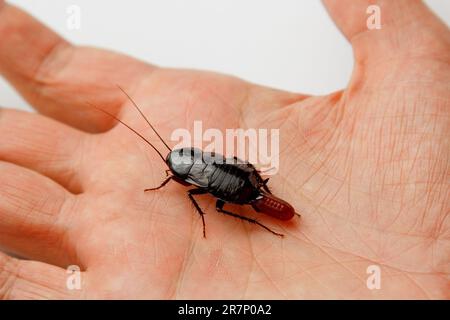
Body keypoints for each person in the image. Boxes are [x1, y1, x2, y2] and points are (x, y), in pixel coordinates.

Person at [0, 0, 448, 299]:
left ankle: (258, 206)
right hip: (244, 183)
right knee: (223, 200)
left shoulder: (189, 178)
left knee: (212, 206)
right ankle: (259, 203)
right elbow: (217, 163)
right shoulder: (194, 165)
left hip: (241, 186)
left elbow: (203, 172)